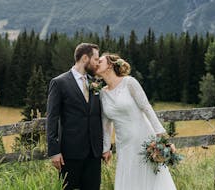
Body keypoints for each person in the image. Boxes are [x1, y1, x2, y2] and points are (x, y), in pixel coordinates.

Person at [98, 53, 177, 190]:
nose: (96, 63)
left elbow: (146, 107)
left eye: (100, 61)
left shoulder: (129, 82)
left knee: (150, 177)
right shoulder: (102, 93)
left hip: (143, 138)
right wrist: (106, 149)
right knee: (129, 178)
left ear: (109, 65)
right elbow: (106, 124)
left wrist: (160, 132)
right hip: (124, 143)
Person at [46, 43, 104, 190]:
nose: (98, 63)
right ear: (85, 58)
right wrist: (54, 151)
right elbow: (52, 118)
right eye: (96, 59)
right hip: (69, 154)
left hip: (94, 153)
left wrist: (105, 146)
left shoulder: (96, 83)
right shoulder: (59, 82)